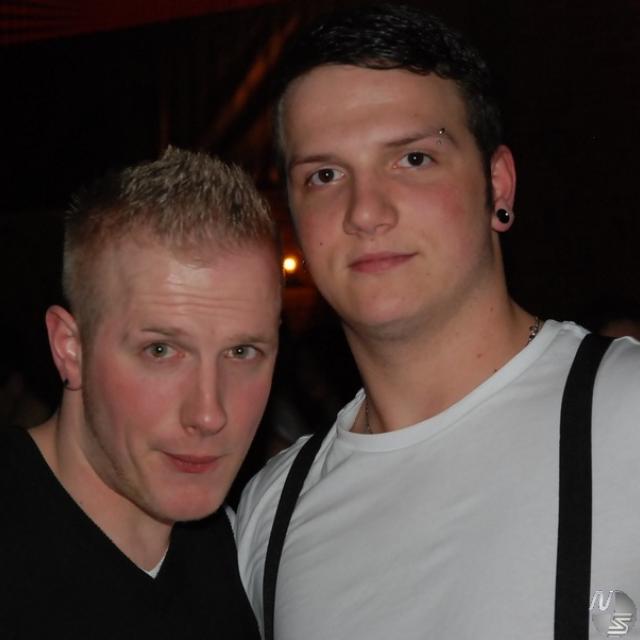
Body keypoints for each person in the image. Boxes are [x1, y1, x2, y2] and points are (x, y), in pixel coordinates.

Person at [235, 4, 640, 639]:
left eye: (413, 159)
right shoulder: (269, 517)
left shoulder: (626, 413)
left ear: (497, 185)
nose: (364, 212)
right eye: (325, 175)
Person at [0, 147, 281, 638]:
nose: (209, 414)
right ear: (71, 349)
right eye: (161, 351)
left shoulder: (244, 558)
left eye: (241, 352)